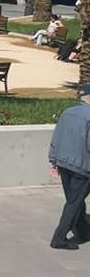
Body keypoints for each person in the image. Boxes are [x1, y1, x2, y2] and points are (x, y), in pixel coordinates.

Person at [48, 87, 90, 250]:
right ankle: (59, 238)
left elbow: (56, 137)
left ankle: (82, 230)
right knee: (74, 202)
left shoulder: (68, 113)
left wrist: (53, 160)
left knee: (74, 199)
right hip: (82, 167)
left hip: (64, 163)